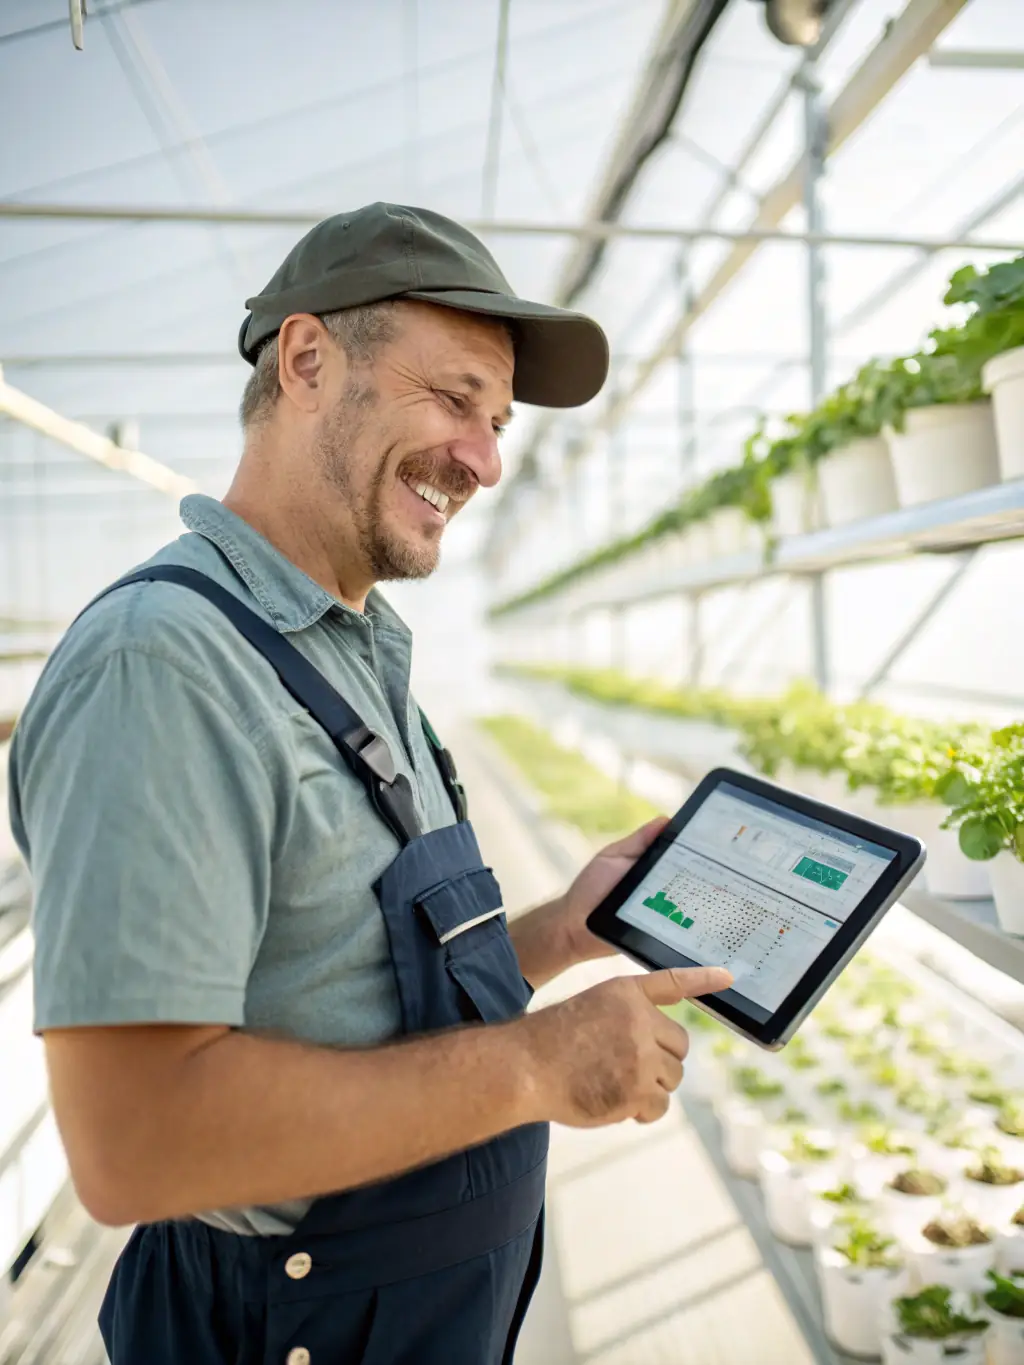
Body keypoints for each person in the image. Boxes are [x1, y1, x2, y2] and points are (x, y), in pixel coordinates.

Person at [8, 203, 731, 1365]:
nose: (486, 459)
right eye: (453, 400)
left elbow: (332, 972)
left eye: (495, 423)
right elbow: (133, 1145)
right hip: (286, 1324)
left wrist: (557, 931)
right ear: (305, 361)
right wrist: (538, 1064)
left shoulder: (352, 645)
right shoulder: (166, 667)